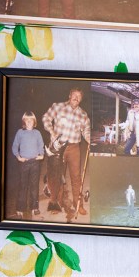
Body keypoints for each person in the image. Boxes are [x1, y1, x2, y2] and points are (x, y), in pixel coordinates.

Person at [42, 88, 91, 219]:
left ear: (81, 99)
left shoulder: (83, 114)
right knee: (57, 177)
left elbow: (86, 130)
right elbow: (46, 118)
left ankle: (78, 203)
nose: (76, 98)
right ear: (69, 95)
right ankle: (56, 202)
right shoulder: (57, 106)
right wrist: (52, 132)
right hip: (58, 148)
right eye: (74, 95)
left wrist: (89, 139)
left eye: (79, 96)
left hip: (74, 148)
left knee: (76, 177)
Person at [11, 111, 45, 218]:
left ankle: (34, 207)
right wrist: (18, 157)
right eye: (27, 119)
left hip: (35, 162)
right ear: (24, 121)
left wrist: (42, 154)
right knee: (23, 186)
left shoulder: (37, 133)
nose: (29, 122)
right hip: (24, 163)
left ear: (34, 121)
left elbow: (41, 145)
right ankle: (20, 208)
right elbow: (15, 146)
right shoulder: (20, 132)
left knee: (34, 186)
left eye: (31, 119)